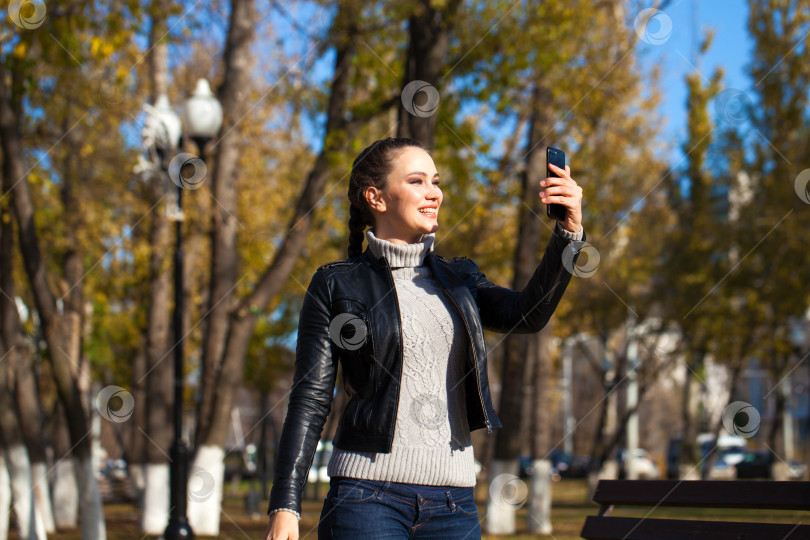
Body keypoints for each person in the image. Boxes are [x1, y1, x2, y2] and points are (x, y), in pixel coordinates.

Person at [263, 137, 584, 540]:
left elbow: (527, 315)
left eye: (436, 182)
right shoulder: (335, 285)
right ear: (376, 198)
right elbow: (311, 398)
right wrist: (285, 504)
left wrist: (568, 234)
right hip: (366, 499)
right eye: (417, 181)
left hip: (454, 504)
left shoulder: (460, 279)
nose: (435, 193)